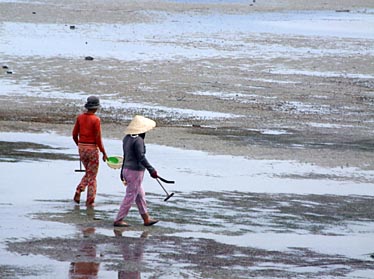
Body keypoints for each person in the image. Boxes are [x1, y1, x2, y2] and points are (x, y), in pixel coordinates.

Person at [114, 115, 159, 227]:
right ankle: (119, 219)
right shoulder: (138, 140)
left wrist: (122, 172)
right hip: (135, 172)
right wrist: (151, 169)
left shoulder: (126, 138)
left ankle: (146, 218)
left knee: (140, 195)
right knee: (130, 195)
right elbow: (141, 157)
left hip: (126, 169)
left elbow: (126, 155)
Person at [72, 96, 108, 206]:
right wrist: (103, 152)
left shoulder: (80, 117)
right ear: (96, 108)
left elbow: (74, 134)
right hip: (92, 149)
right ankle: (88, 199)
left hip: (82, 148)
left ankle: (82, 192)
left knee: (89, 173)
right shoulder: (96, 120)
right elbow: (98, 138)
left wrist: (80, 145)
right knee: (92, 176)